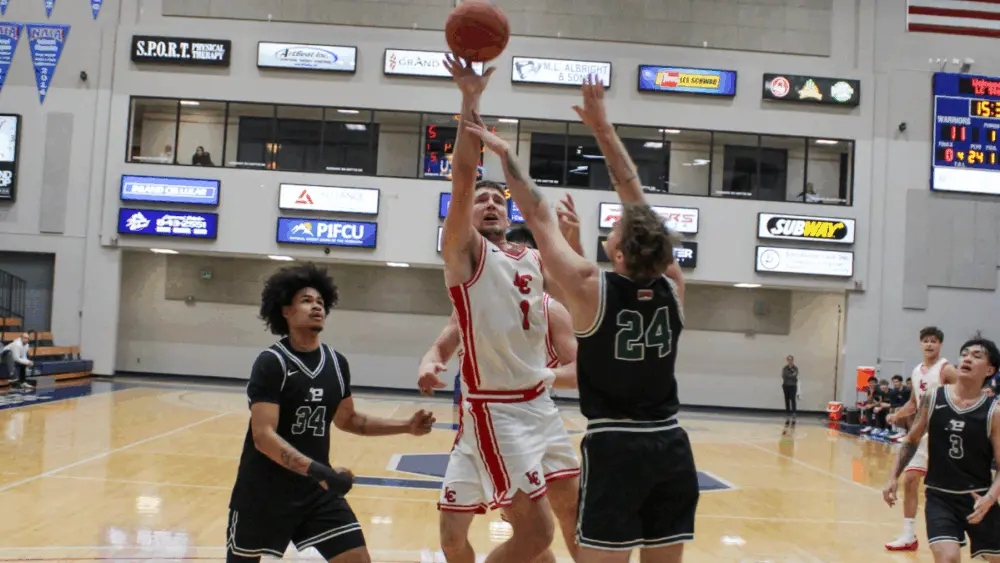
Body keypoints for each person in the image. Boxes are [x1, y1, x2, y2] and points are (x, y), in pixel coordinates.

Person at [464, 74, 698, 563]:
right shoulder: (673, 287)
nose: (617, 223)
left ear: (619, 252)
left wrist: (505, 155)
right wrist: (604, 129)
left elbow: (536, 213)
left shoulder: (592, 288)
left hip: (616, 447)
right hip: (671, 445)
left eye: (616, 228)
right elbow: (636, 199)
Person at [417, 54, 577, 563]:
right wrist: (471, 99)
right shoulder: (465, 256)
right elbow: (463, 178)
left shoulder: (532, 260)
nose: (489, 203)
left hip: (540, 406)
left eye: (498, 200)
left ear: (509, 214)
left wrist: (570, 242)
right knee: (520, 535)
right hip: (495, 408)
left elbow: (572, 284)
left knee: (571, 515)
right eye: (481, 200)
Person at [227, 263, 436, 563]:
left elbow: (348, 419)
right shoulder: (272, 362)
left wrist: (406, 426)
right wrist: (320, 471)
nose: (317, 307)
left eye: (321, 302)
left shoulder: (336, 363)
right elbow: (263, 435)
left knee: (358, 560)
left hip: (316, 492)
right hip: (263, 493)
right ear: (285, 311)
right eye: (306, 301)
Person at [418, 223, 582, 562]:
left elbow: (581, 371)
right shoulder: (474, 302)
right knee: (453, 539)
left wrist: (541, 376)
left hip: (524, 417)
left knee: (551, 523)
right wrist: (429, 362)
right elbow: (443, 343)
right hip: (479, 423)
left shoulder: (550, 310)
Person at [883, 334, 1000, 562]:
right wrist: (892, 477)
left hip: (978, 496)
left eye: (977, 356)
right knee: (948, 558)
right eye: (964, 354)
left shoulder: (994, 412)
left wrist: (989, 498)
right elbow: (911, 439)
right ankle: (908, 533)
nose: (967, 358)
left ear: (989, 370)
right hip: (940, 497)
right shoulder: (933, 397)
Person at [884, 326, 956, 551]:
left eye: (934, 341)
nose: (929, 344)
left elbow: (965, 393)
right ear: (920, 343)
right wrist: (898, 414)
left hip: (944, 434)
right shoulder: (916, 371)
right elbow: (914, 402)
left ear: (940, 345)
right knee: (910, 480)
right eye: (926, 340)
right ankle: (908, 535)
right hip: (921, 433)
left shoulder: (946, 369)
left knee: (952, 486)